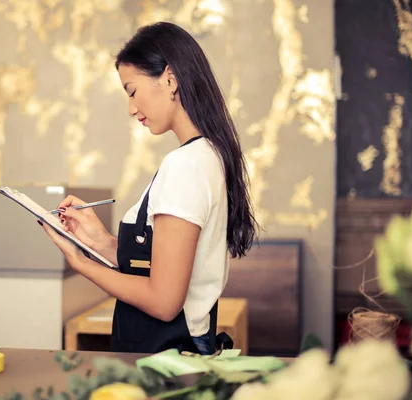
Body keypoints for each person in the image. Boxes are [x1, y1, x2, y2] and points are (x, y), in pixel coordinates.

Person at [38, 21, 257, 355]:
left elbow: (164, 301)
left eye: (132, 91)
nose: (131, 109)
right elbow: (166, 265)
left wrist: (82, 263)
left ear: (169, 79)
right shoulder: (207, 155)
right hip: (183, 353)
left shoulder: (185, 165)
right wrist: (102, 243)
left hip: (164, 361)